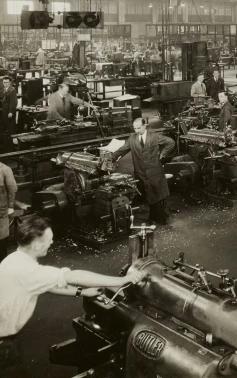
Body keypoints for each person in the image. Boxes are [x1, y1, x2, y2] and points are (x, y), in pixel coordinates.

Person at [0, 217, 146, 372]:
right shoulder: (28, 272)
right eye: (49, 239)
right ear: (36, 245)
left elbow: (49, 285)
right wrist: (120, 281)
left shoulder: (14, 259)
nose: (51, 242)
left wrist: (82, 291)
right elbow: (72, 276)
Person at [111, 118, 175, 224]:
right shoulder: (132, 139)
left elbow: (170, 143)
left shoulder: (154, 136)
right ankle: (151, 218)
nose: (136, 131)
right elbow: (121, 150)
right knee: (148, 195)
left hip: (155, 171)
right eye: (135, 128)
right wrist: (111, 158)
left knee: (158, 195)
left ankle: (161, 218)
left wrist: (162, 155)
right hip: (140, 173)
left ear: (145, 126)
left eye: (139, 128)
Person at [0, 162, 17, 262]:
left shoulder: (5, 169)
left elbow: (12, 189)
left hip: (1, 211)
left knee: (1, 241)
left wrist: (11, 206)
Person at [0, 76, 16, 149]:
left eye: (6, 82)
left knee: (10, 128)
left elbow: (13, 103)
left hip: (9, 113)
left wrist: (11, 112)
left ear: (10, 83)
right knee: (4, 127)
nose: (5, 84)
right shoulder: (3, 90)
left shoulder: (12, 90)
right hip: (3, 112)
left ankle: (11, 145)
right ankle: (6, 144)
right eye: (4, 82)